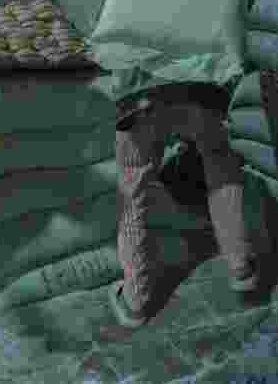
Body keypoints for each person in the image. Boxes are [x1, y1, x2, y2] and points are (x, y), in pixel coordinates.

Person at [108, 77, 259, 329]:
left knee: (133, 194)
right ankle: (241, 266)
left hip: (140, 98)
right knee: (221, 170)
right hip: (199, 92)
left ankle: (135, 300)